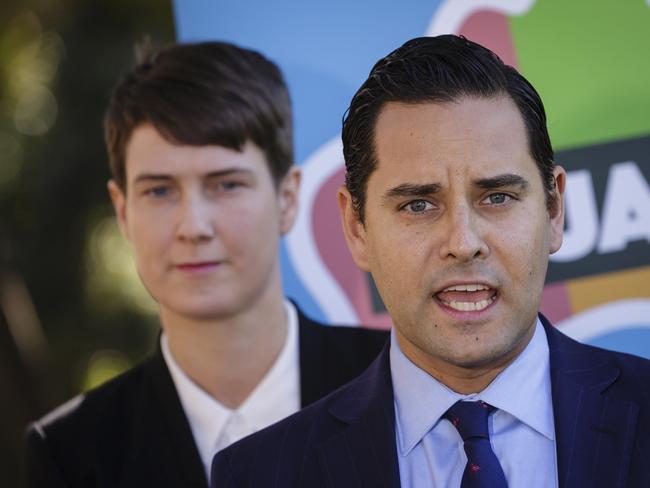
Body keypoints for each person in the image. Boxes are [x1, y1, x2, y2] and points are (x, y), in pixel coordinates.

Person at [210, 35, 650, 488]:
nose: (463, 243)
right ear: (356, 226)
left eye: (497, 197)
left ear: (553, 210)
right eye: (419, 204)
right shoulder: (260, 474)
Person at [24, 41, 388, 487]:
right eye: (159, 191)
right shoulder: (69, 452)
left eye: (226, 185)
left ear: (287, 198)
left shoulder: (400, 384)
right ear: (122, 211)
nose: (193, 226)